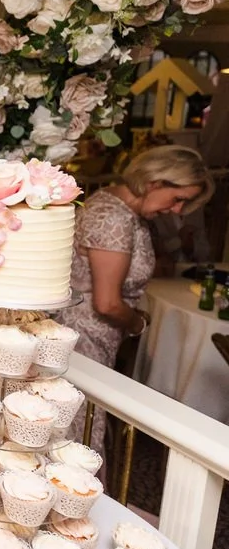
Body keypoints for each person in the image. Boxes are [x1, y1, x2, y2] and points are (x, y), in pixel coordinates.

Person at [56, 144, 213, 478]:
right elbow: (107, 303)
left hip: (94, 338)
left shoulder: (120, 208)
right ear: (156, 182)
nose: (177, 210)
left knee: (82, 430)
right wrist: (139, 323)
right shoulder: (114, 217)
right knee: (81, 437)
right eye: (178, 198)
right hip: (84, 340)